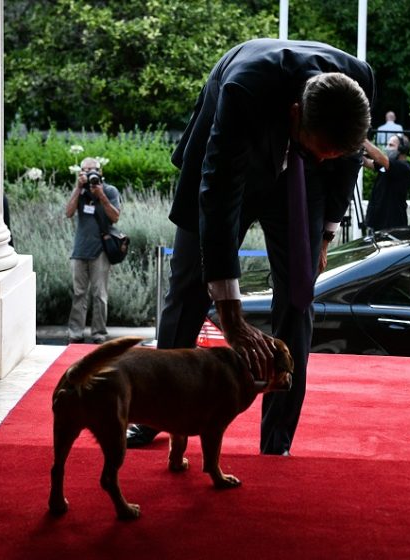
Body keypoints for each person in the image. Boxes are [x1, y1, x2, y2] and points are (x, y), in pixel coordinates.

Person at [125, 38, 374, 455]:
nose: (329, 159)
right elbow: (219, 192)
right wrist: (231, 316)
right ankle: (157, 411)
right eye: (322, 151)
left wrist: (326, 234)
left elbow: (345, 160)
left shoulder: (357, 84)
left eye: (333, 154)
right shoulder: (245, 87)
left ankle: (276, 441)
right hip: (228, 162)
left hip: (300, 179)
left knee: (298, 297)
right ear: (295, 115)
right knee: (187, 288)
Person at [65, 157, 122, 344]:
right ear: (80, 172)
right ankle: (76, 332)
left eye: (93, 169)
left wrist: (101, 196)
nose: (90, 173)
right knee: (79, 293)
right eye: (86, 170)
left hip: (101, 251)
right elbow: (68, 213)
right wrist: (77, 188)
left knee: (99, 295)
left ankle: (98, 333)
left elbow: (115, 217)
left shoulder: (110, 190)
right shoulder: (79, 191)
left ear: (101, 172)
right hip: (80, 250)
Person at [362, 133, 410, 234]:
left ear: (402, 149)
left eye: (391, 145)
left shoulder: (404, 168)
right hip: (377, 225)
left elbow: (379, 157)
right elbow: (367, 162)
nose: (387, 148)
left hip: (393, 226)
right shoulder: (386, 166)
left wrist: (361, 138)